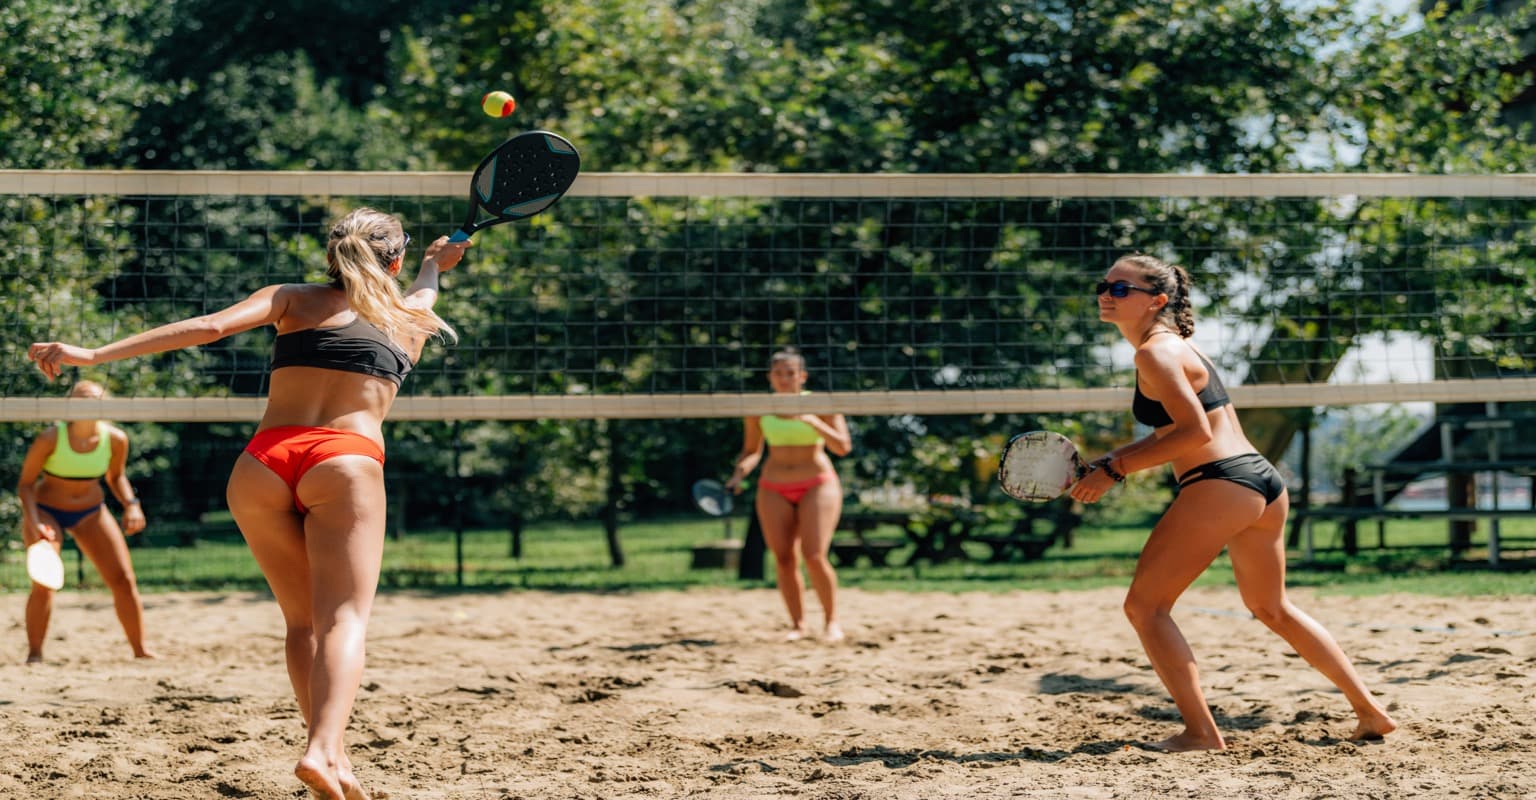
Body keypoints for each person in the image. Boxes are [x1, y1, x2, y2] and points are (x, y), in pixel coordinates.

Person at [28, 208, 469, 800]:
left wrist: (91, 356)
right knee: (344, 619)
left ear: (333, 256)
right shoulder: (412, 317)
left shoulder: (291, 298)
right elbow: (420, 293)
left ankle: (333, 761)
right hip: (344, 461)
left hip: (261, 465)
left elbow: (207, 327)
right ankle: (322, 750)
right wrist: (433, 267)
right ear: (392, 261)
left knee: (302, 621)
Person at [1068, 253, 1397, 751]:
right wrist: (1111, 459)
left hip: (1219, 482)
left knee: (1145, 607)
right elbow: (1186, 429)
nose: (1105, 294)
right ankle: (1371, 711)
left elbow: (1193, 432)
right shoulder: (1180, 348)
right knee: (1273, 608)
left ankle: (1201, 733)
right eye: (1104, 284)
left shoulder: (1154, 354)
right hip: (1261, 482)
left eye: (1120, 289)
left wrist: (1116, 469)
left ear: (1157, 300)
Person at [15, 379, 153, 664]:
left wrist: (132, 505)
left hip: (91, 511)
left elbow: (116, 477)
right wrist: (33, 520)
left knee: (124, 579)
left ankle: (141, 651)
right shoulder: (51, 437)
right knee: (44, 581)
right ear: (69, 404)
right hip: (46, 510)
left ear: (104, 404)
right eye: (80, 398)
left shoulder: (115, 439)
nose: (86, 402)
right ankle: (35, 654)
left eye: (92, 398)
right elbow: (26, 484)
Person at [725, 348, 853, 642]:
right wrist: (738, 475)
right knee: (783, 558)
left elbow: (843, 447)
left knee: (814, 555)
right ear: (770, 377)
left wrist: (813, 421)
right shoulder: (759, 407)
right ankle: (798, 625)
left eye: (790, 373)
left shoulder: (822, 403)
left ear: (802, 376)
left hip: (817, 483)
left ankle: (832, 622)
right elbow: (751, 451)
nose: (784, 378)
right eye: (778, 373)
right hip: (773, 486)